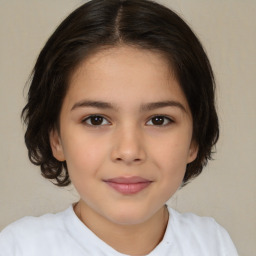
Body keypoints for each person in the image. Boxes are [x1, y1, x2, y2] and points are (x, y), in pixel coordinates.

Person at [0, 0, 238, 255]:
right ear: (56, 138)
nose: (128, 151)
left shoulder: (212, 243)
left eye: (158, 120)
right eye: (96, 120)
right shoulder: (19, 247)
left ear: (194, 139)